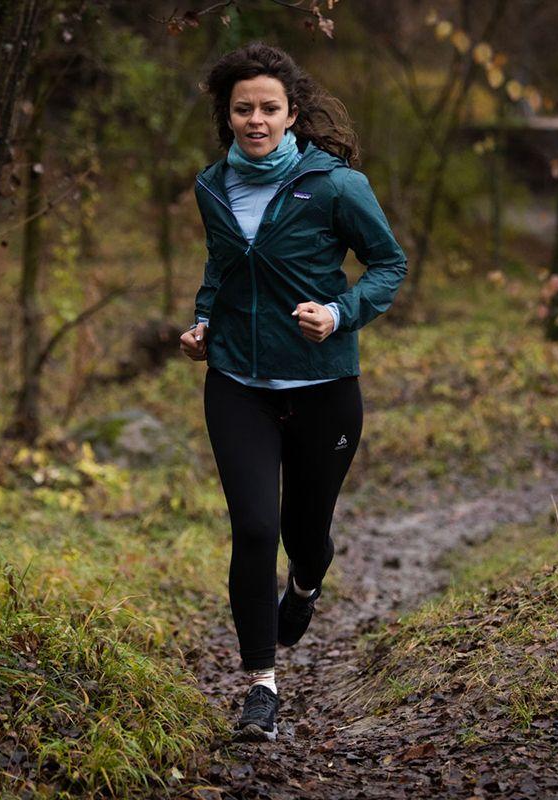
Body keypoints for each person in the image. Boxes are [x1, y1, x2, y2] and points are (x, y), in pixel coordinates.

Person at [179, 42, 407, 742]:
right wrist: (204, 319)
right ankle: (261, 685)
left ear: (291, 114)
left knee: (305, 534)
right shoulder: (212, 186)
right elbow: (222, 267)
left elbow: (388, 263)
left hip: (323, 386)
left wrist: (339, 313)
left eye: (268, 108)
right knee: (254, 528)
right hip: (237, 383)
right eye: (242, 108)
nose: (255, 119)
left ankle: (305, 584)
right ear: (227, 115)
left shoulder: (335, 186)